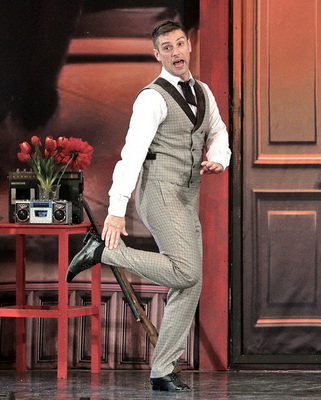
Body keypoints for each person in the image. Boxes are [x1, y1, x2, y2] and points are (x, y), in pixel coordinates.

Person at [66, 20, 231, 392]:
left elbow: (218, 130)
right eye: (167, 48)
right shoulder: (152, 98)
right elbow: (132, 155)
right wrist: (116, 209)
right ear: (157, 55)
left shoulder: (203, 91)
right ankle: (103, 252)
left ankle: (163, 371)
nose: (175, 52)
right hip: (158, 192)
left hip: (186, 194)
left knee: (190, 283)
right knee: (187, 272)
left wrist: (219, 158)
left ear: (189, 46)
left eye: (179, 44)